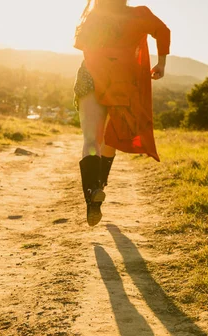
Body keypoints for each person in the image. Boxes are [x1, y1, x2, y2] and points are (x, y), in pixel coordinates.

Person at [74, 0, 171, 226]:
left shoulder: (94, 15)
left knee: (91, 139)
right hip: (122, 82)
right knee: (112, 134)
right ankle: (101, 181)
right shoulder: (139, 15)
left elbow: (85, 47)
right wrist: (161, 63)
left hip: (91, 77)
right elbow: (163, 31)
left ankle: (93, 193)